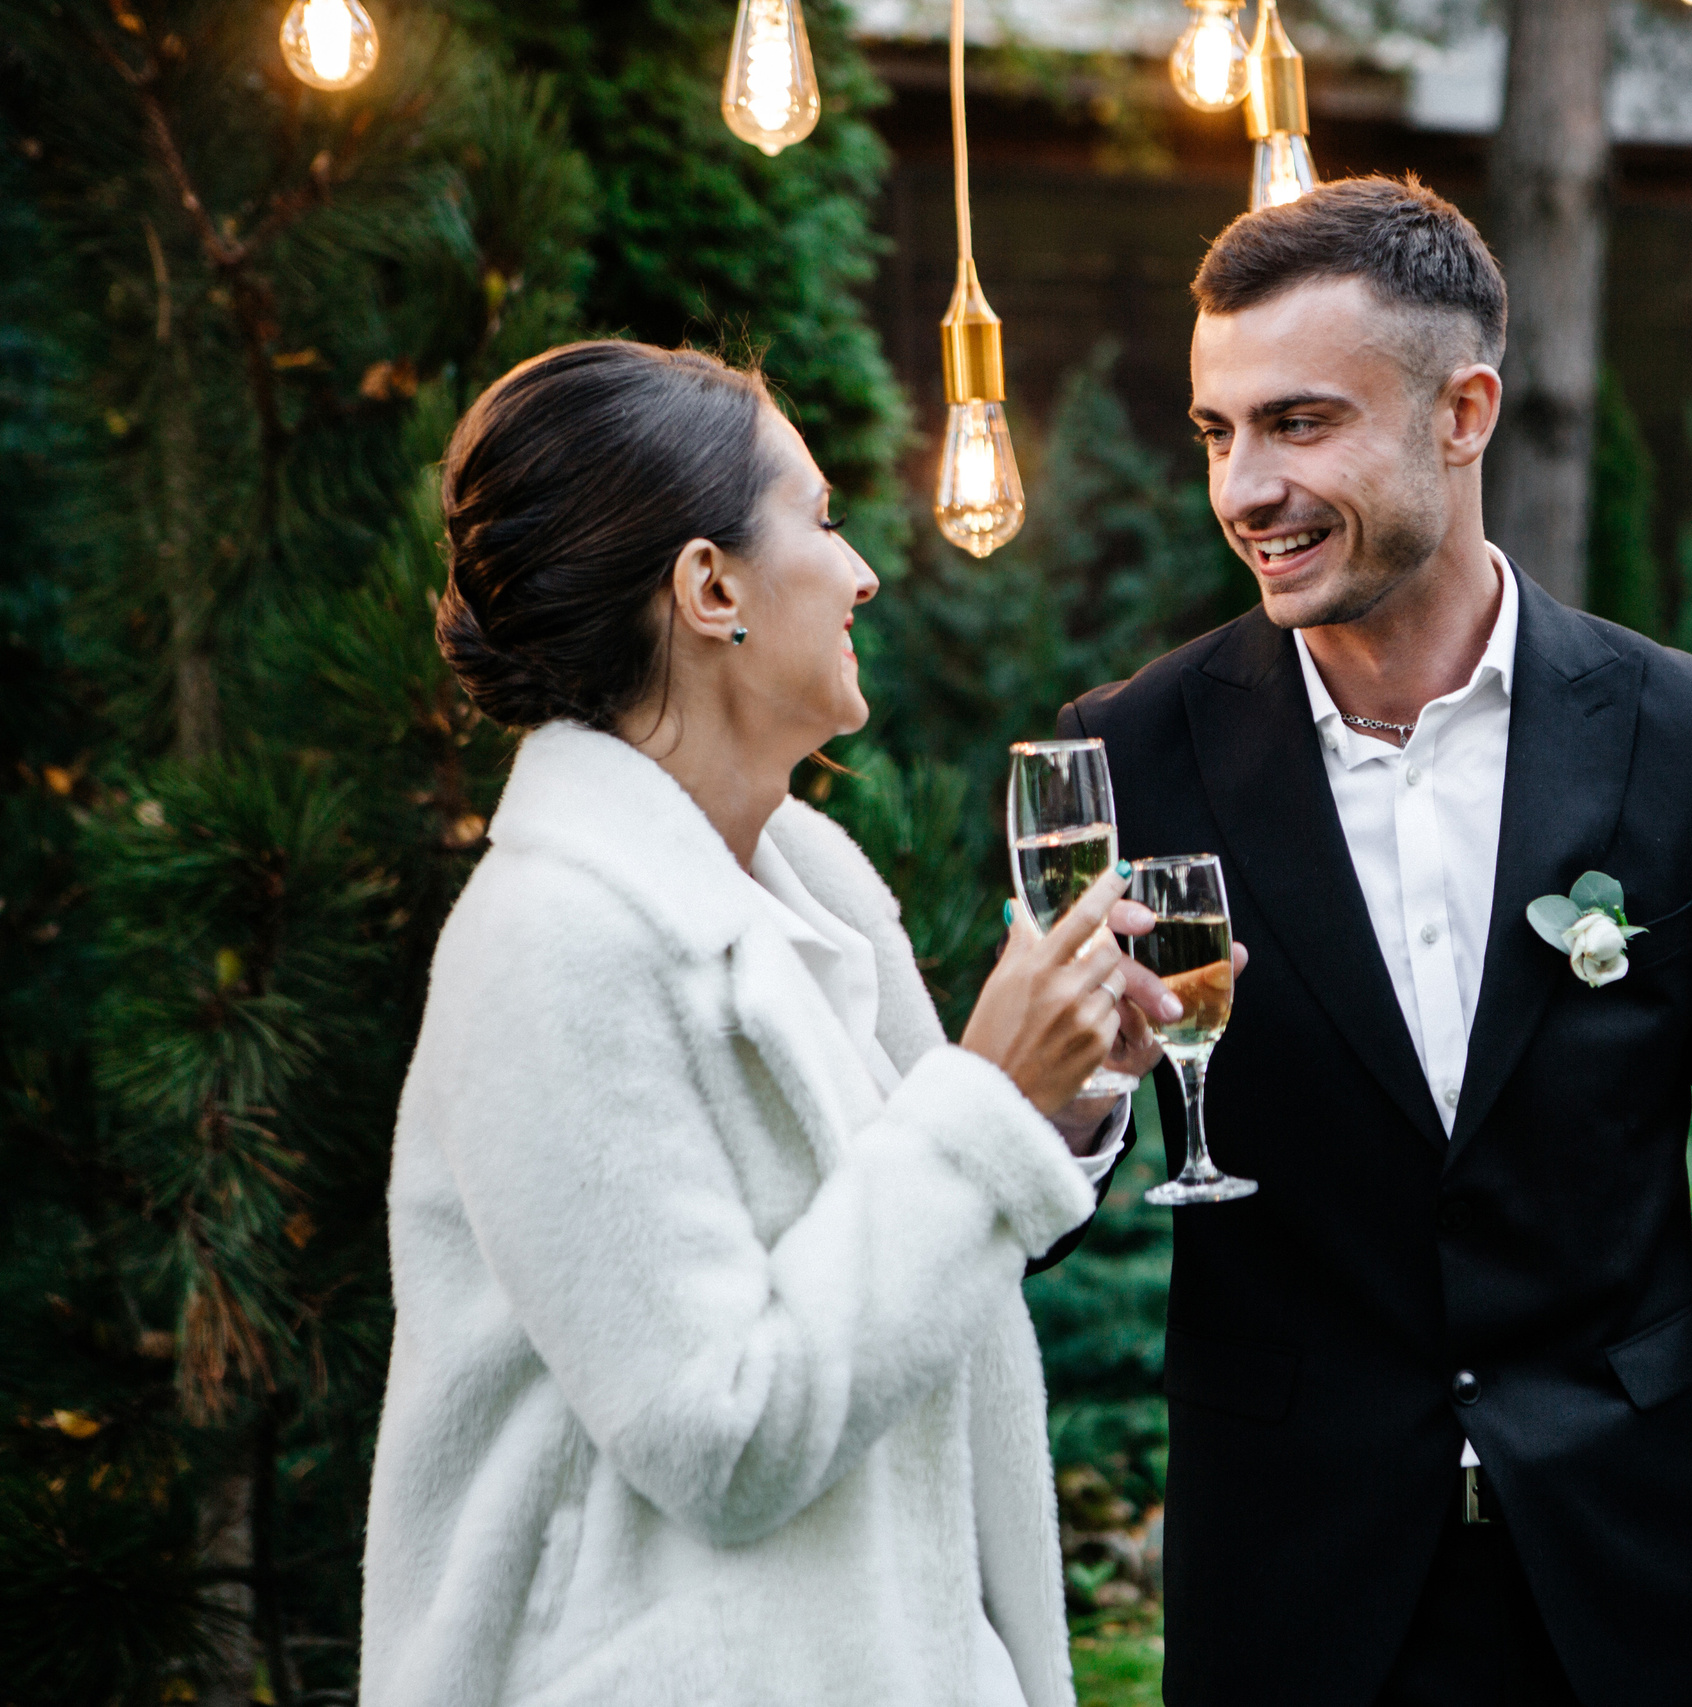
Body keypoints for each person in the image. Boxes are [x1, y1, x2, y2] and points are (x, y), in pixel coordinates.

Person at [1057, 178, 1692, 1706]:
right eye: (1218, 433)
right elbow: (1033, 1203)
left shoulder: (1689, 740)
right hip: (1295, 1610)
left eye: (1297, 424)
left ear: (1463, 412)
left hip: (1625, 1598)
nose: (1242, 489)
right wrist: (1082, 1096)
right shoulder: (1129, 756)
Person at [359, 340, 1192, 1707]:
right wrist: (985, 1100)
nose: (863, 570)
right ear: (710, 587)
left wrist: (1058, 1099)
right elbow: (723, 1432)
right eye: (818, 519)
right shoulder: (550, 941)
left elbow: (899, 1281)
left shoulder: (813, 882)